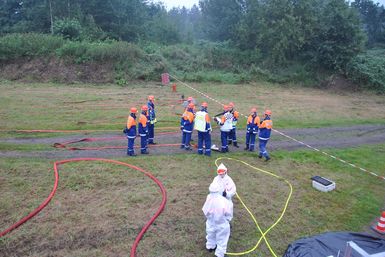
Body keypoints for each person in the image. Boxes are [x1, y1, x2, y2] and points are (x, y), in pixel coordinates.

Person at [202, 182, 232, 257]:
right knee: (222, 238)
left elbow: (205, 209)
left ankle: (210, 246)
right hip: (222, 223)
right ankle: (220, 253)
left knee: (210, 234)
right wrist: (228, 220)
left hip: (210, 222)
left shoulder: (208, 198)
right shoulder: (224, 201)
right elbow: (229, 213)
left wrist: (209, 218)